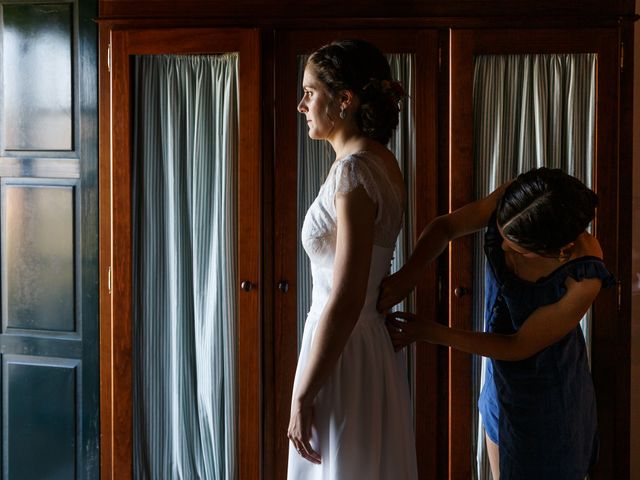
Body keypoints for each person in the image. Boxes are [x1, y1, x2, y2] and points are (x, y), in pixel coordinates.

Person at [378, 167, 615, 480]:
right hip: (499, 379)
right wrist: (407, 275)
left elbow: (517, 345)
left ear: (560, 251)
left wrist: (429, 331)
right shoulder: (519, 203)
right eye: (499, 235)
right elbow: (446, 227)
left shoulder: (584, 274)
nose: (501, 249)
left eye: (514, 246)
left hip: (550, 396)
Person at [287, 39, 418, 479]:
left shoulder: (353, 170)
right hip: (364, 345)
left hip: (341, 347)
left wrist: (304, 395)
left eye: (310, 92)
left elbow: (345, 296)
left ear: (345, 99)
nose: (301, 104)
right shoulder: (381, 162)